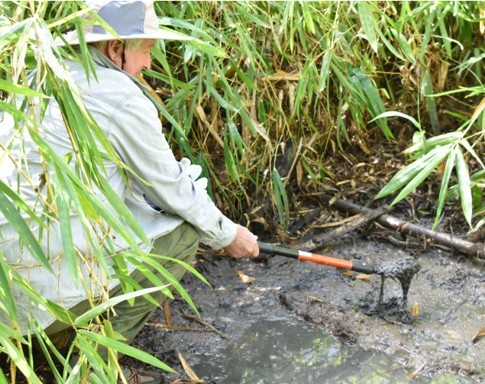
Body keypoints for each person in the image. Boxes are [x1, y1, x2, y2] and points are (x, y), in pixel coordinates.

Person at [0, 0, 259, 382]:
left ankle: (45, 339)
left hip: (8, 295)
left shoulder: (40, 74)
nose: (150, 65)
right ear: (115, 48)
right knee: (185, 234)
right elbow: (174, 192)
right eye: (147, 52)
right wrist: (228, 235)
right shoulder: (120, 96)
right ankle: (92, 365)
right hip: (38, 304)